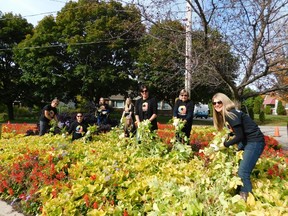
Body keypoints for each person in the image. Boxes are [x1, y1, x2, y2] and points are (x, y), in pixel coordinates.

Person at [211, 92, 265, 201]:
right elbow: (236, 132)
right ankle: (238, 191)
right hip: (247, 140)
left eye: (219, 102)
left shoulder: (231, 114)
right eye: (214, 103)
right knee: (236, 165)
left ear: (224, 102)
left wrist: (224, 145)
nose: (216, 105)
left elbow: (239, 136)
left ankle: (247, 200)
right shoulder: (229, 114)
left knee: (243, 172)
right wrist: (226, 137)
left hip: (254, 141)